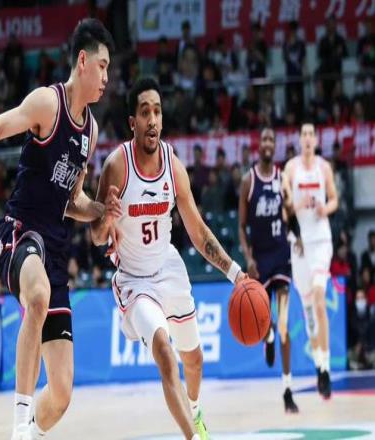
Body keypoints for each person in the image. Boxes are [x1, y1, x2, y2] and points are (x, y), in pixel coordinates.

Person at [0, 19, 116, 440]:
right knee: (38, 296)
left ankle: (30, 431)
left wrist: (102, 210)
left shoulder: (91, 130)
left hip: (56, 250)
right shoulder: (49, 102)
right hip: (21, 232)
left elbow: (73, 201)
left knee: (61, 394)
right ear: (83, 61)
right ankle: (17, 428)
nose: (106, 77)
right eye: (102, 66)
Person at [90, 77, 247, 440]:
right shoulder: (117, 166)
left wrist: (236, 273)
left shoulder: (173, 166)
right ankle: (193, 437)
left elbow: (197, 231)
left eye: (157, 112)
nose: (153, 120)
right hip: (135, 280)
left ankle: (196, 412)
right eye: (145, 112)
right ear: (133, 122)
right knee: (164, 351)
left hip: (168, 268)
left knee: (194, 360)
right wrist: (107, 219)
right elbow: (97, 236)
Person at [238, 127, 299, 413]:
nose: (267, 143)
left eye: (271, 140)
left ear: (275, 146)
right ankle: (268, 336)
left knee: (284, 324)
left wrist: (297, 235)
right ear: (258, 145)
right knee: (265, 324)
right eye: (263, 139)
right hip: (260, 261)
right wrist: (248, 257)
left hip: (282, 256)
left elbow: (291, 213)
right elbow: (241, 227)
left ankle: (287, 389)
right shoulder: (248, 181)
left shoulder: (281, 178)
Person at [282, 122, 338, 399]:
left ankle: (326, 367)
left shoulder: (324, 168)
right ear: (299, 140)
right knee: (308, 311)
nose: (307, 138)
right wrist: (297, 204)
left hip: (320, 241)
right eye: (303, 134)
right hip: (299, 245)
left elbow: (334, 199)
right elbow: (284, 211)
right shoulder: (290, 169)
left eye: (310, 135)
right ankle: (318, 363)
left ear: (315, 140)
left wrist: (324, 208)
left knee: (318, 299)